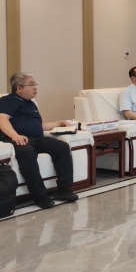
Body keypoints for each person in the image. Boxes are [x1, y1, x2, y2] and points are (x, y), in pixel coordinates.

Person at [0, 73, 78, 209]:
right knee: (27, 152)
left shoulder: (31, 104)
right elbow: (2, 119)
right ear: (19, 88)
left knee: (62, 147)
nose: (35, 87)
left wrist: (58, 123)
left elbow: (38, 126)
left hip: (37, 138)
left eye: (35, 84)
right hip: (18, 140)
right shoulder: (8, 101)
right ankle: (39, 195)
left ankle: (64, 189)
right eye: (31, 84)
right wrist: (15, 136)